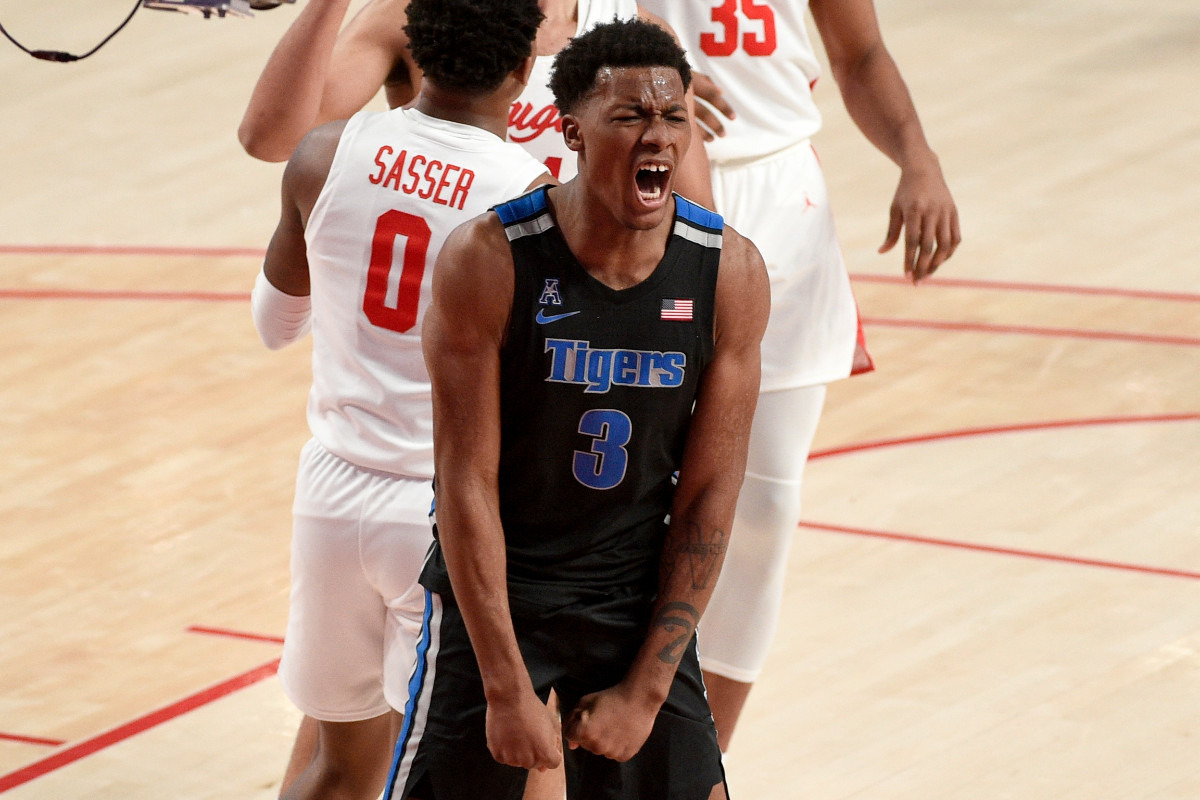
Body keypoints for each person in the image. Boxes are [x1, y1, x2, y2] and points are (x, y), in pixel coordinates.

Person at [385, 19, 770, 800]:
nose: (656, 135)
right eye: (629, 117)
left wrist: (646, 693)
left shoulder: (728, 272)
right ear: (573, 134)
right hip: (503, 590)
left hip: (632, 594)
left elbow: (708, 498)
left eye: (673, 117)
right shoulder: (488, 260)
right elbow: (464, 484)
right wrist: (501, 683)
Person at [638, 0, 963, 751]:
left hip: (779, 192)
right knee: (626, 493)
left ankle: (698, 762)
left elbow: (861, 53)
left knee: (763, 511)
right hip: (645, 184)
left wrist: (918, 156)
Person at [250, 1, 552, 798]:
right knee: (459, 775)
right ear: (524, 73)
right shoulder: (529, 196)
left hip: (331, 494)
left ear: (410, 51)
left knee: (334, 764)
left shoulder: (325, 152)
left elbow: (275, 326)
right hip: (444, 514)